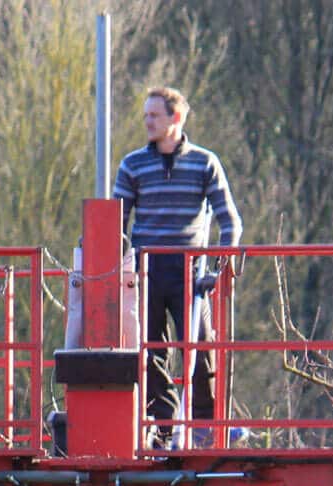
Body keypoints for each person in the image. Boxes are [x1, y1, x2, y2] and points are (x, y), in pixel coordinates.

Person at [112, 86, 243, 449]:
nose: (147, 122)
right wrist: (114, 269)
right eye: (145, 116)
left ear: (176, 118)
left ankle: (203, 431)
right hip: (145, 270)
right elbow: (113, 224)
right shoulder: (132, 165)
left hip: (190, 271)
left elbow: (229, 221)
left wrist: (218, 266)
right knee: (148, 351)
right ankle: (167, 426)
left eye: (154, 115)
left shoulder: (204, 163)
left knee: (199, 348)